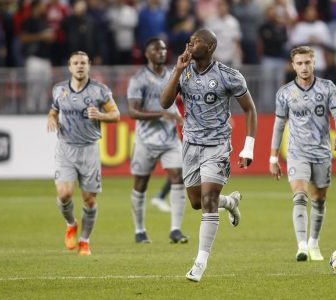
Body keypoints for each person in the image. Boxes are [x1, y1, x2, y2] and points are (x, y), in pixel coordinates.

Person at [161, 28, 258, 282]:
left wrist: (248, 147)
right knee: (197, 201)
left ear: (211, 47)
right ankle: (230, 203)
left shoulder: (229, 76)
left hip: (217, 145)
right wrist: (177, 70)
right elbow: (163, 102)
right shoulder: (184, 72)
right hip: (191, 144)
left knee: (208, 201)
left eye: (197, 41)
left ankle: (200, 263)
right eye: (190, 41)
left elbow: (249, 110)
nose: (190, 44)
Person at [269, 46, 336, 262]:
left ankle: (314, 242)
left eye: (307, 63)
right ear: (293, 65)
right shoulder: (284, 92)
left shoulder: (327, 87)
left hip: (322, 152)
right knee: (300, 196)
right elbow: (278, 125)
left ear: (314, 63)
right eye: (299, 63)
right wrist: (273, 158)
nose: (304, 67)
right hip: (296, 152)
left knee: (319, 199)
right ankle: (301, 245)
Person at [47, 51, 120, 256]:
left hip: (89, 150)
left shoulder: (100, 91)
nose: (80, 66)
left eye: (83, 63)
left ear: (89, 67)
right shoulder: (59, 89)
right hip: (66, 149)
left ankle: (85, 240)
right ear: (69, 67)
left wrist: (101, 115)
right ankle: (71, 224)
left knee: (89, 200)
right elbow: (54, 109)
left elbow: (116, 115)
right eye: (76, 63)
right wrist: (52, 118)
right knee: (64, 194)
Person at [127, 37, 188, 244]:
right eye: (156, 49)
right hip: (145, 139)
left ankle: (175, 230)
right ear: (147, 54)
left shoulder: (174, 74)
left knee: (178, 176)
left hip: (170, 139)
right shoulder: (139, 79)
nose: (161, 52)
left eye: (163, 49)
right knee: (141, 183)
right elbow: (133, 111)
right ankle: (139, 230)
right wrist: (162, 115)